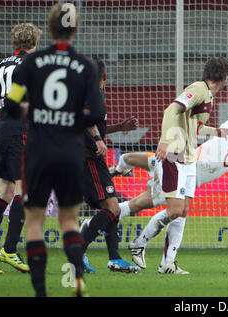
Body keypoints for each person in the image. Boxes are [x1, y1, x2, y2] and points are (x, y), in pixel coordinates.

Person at [4, 3, 104, 296]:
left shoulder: (32, 64)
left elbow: (11, 105)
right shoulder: (86, 67)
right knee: (69, 221)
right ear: (74, 30)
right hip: (71, 152)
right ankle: (76, 281)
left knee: (34, 222)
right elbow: (97, 113)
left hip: (37, 151)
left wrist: (32, 110)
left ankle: (40, 292)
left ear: (48, 29)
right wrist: (72, 117)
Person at [101, 104, 228, 270]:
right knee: (177, 211)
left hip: (181, 178)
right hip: (177, 168)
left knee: (143, 205)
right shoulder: (225, 133)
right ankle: (144, 246)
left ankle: (99, 220)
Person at [134, 57, 228, 274]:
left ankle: (168, 263)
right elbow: (171, 111)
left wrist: (216, 132)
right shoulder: (197, 89)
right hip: (175, 156)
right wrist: (166, 140)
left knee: (183, 211)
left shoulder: (208, 97)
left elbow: (195, 128)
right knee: (175, 210)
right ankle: (139, 243)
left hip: (188, 160)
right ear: (224, 77)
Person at [78, 57, 140, 274]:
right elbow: (86, 120)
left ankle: (114, 258)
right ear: (104, 77)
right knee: (113, 208)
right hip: (89, 157)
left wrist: (119, 127)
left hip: (86, 157)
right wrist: (97, 140)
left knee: (111, 208)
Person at [0, 23, 41, 275]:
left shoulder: (2, 64)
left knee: (5, 189)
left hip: (1, 128)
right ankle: (9, 249)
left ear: (15, 42)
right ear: (34, 43)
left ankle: (8, 249)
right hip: (18, 129)